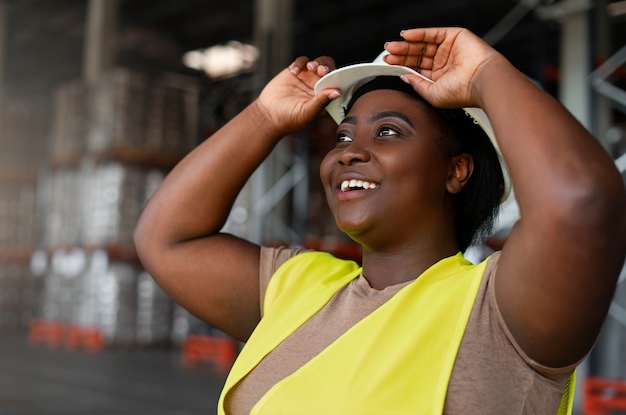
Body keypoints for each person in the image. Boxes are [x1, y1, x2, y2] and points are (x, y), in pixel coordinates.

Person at [133, 27, 626, 414]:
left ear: (456, 171)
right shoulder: (299, 286)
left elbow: (579, 201)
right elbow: (166, 238)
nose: (350, 154)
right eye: (343, 138)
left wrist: (485, 75)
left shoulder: (498, 313)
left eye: (388, 132)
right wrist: (265, 115)